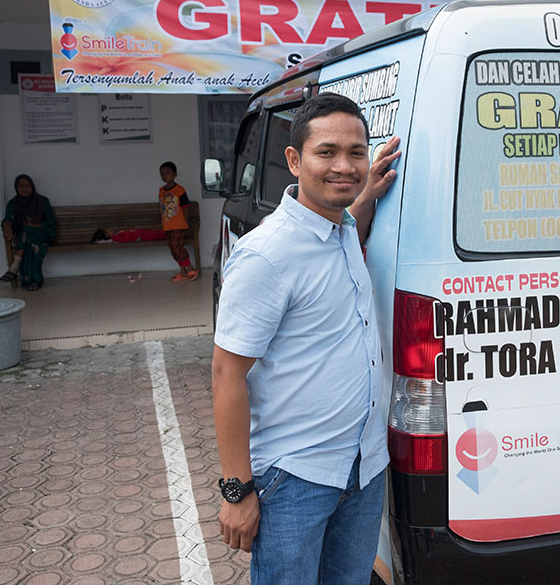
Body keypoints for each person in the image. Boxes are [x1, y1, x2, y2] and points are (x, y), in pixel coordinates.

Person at [212, 92, 400, 584]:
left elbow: (343, 229)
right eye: (327, 152)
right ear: (294, 160)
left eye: (356, 153)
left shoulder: (340, 231)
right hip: (296, 478)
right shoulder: (266, 257)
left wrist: (368, 195)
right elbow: (226, 374)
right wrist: (237, 490)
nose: (344, 165)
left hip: (363, 466)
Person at [0, 174, 56, 291]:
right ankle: (33, 282)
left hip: (44, 234)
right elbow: (8, 218)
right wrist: (6, 225)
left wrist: (36, 225)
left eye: (27, 185)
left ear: (32, 186)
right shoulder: (13, 203)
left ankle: (14, 267)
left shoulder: (42, 201)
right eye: (21, 186)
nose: (24, 188)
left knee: (27, 230)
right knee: (33, 246)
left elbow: (51, 223)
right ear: (16, 188)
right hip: (28, 240)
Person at [158, 161, 198, 281]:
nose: (164, 176)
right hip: (167, 226)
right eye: (162, 174)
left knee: (178, 247)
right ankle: (183, 272)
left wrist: (185, 224)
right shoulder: (161, 191)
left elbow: (186, 208)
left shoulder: (180, 190)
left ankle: (191, 269)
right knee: (173, 248)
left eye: (168, 173)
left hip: (178, 226)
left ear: (175, 174)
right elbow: (162, 208)